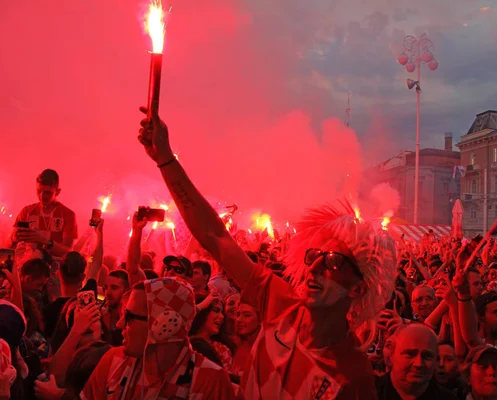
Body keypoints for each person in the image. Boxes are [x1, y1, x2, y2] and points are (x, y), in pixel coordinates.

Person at [137, 107, 398, 398]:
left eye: (333, 262)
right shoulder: (279, 303)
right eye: (313, 256)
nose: (314, 268)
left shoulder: (355, 375)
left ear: (358, 287)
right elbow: (215, 237)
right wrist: (165, 159)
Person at [81, 277, 235, 399]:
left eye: (130, 317)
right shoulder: (113, 361)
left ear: (165, 324)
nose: (120, 324)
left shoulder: (210, 380)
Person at [376, 324, 458, 399]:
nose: (418, 364)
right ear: (391, 355)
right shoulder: (369, 393)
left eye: (427, 356)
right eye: (410, 354)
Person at [11, 169, 77, 258]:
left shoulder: (68, 215)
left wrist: (45, 241)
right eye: (39, 191)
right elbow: (9, 245)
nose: (42, 196)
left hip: (54, 268)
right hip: (27, 266)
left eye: (47, 193)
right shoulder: (27, 211)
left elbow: (68, 251)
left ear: (57, 192)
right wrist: (14, 238)